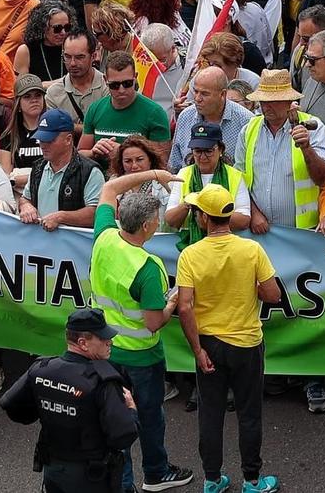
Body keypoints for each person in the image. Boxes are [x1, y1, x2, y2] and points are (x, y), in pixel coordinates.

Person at [87, 167, 194, 493]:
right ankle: (156, 474)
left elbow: (109, 188)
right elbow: (154, 321)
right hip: (141, 358)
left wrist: (152, 173)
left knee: (113, 421)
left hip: (104, 352)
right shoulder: (149, 269)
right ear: (148, 227)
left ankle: (122, 484)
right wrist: (173, 302)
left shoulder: (104, 236)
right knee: (148, 419)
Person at [176, 182, 284, 493]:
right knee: (250, 414)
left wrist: (197, 350)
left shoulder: (191, 255)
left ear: (203, 218)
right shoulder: (251, 250)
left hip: (209, 344)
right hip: (247, 344)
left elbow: (185, 307)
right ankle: (252, 480)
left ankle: (212, 479)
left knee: (210, 414)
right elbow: (273, 294)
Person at [0, 307, 140, 493]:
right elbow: (123, 436)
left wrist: (47, 410)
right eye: (103, 338)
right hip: (92, 477)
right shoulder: (103, 380)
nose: (110, 341)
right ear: (83, 343)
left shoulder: (41, 368)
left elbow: (10, 404)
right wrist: (131, 409)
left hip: (53, 470)